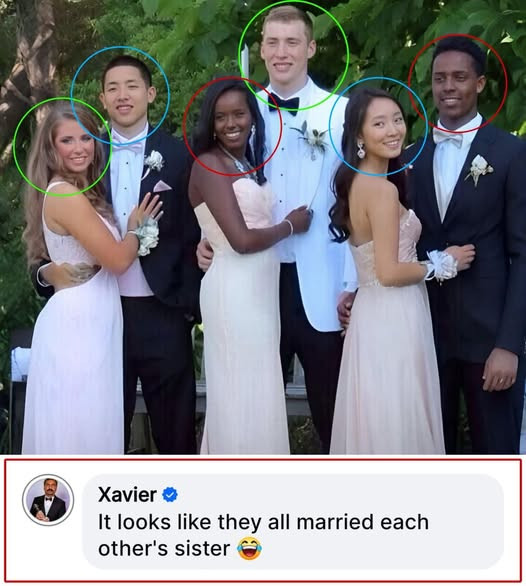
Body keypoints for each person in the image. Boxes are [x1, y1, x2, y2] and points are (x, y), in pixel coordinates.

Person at [197, 6, 357, 453]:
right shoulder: (240, 111)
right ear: (261, 49)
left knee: (332, 408)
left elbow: (354, 202)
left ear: (311, 48)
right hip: (251, 282)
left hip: (322, 281)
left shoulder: (340, 113)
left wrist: (353, 281)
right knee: (251, 405)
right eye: (272, 42)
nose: (281, 52)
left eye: (291, 42)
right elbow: (218, 184)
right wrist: (207, 237)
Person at [33, 56, 202, 454]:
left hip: (163, 313)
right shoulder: (84, 157)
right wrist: (43, 274)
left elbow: (194, 234)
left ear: (151, 93)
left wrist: (188, 308)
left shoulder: (180, 156)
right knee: (102, 430)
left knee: (175, 434)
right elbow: (47, 237)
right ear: (102, 99)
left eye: (131, 86)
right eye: (113, 88)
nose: (123, 95)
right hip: (99, 319)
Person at [328, 87, 475, 454]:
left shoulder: (358, 182)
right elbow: (389, 272)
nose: (393, 130)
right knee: (397, 417)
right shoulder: (381, 192)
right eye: (379, 123)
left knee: (381, 415)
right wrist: (443, 263)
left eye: (396, 120)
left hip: (373, 314)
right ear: (359, 136)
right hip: (393, 315)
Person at [403, 37, 526, 454]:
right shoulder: (410, 155)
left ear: (480, 83)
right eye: (440, 78)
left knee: (496, 452)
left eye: (459, 77)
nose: (448, 87)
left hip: (489, 338)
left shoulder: (510, 153)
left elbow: (523, 254)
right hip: (425, 334)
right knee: (431, 456)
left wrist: (508, 345)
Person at [22, 103, 160, 454]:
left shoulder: (82, 191)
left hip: (94, 321)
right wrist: (135, 229)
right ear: (51, 148)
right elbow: (117, 260)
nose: (79, 147)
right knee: (79, 428)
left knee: (90, 426)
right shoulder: (64, 194)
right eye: (67, 140)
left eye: (85, 138)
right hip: (77, 327)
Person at [189, 78, 311, 454]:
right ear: (210, 122)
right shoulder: (210, 163)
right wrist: (289, 225)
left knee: (258, 386)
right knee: (239, 390)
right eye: (221, 116)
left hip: (258, 293)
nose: (231, 123)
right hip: (234, 291)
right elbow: (240, 241)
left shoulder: (243, 163)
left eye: (239, 114)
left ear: (252, 117)